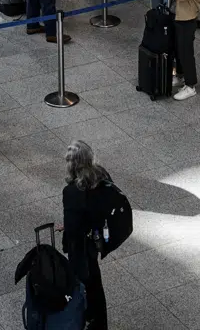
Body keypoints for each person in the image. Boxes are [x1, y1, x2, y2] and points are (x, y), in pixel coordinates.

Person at [61, 140, 111, 330]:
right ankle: (99, 321)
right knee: (94, 281)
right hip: (96, 235)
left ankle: (86, 320)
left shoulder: (71, 191)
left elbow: (72, 227)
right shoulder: (101, 175)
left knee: (82, 281)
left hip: (80, 244)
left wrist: (66, 235)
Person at [155, 0, 200, 101]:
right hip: (175, 16)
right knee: (176, 49)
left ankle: (190, 86)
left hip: (187, 21)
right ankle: (180, 76)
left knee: (186, 53)